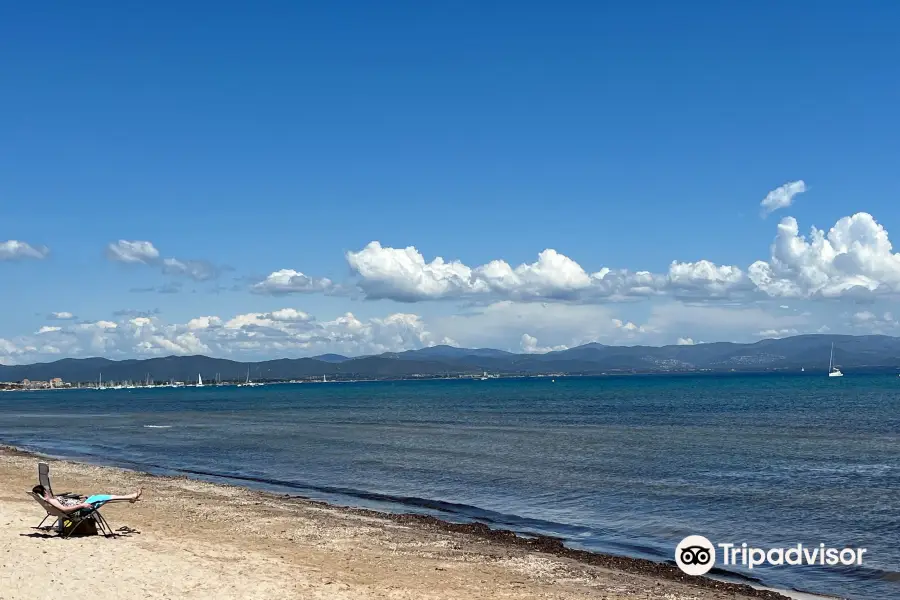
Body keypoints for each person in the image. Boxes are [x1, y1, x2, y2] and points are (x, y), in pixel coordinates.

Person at [32, 484, 142, 514]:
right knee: (102, 497)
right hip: (81, 510)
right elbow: (65, 510)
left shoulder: (51, 500)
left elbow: (65, 503)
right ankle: (131, 496)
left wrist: (80, 499)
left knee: (100, 498)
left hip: (80, 505)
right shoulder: (52, 501)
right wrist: (82, 505)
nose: (49, 490)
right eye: (47, 490)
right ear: (45, 492)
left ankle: (129, 498)